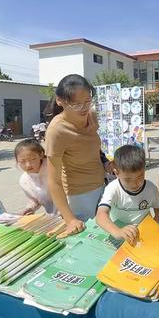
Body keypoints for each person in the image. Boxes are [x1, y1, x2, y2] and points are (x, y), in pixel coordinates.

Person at [45, 74, 105, 235]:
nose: (84, 108)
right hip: (79, 197)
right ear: (60, 101)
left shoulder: (91, 116)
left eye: (87, 101)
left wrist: (106, 162)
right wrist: (70, 219)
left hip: (102, 187)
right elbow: (53, 181)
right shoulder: (57, 131)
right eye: (76, 105)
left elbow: (92, 147)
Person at [96, 145, 159, 245]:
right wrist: (117, 231)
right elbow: (100, 215)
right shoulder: (113, 188)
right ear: (116, 173)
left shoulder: (151, 188)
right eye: (128, 180)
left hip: (143, 234)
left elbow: (158, 206)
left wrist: (156, 221)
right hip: (119, 232)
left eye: (140, 177)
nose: (135, 183)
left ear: (144, 169)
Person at [15, 139, 55, 215]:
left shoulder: (53, 168)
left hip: (72, 212)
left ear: (41, 155)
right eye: (22, 161)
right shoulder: (24, 181)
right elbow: (34, 200)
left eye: (32, 159)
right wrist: (29, 208)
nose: (28, 165)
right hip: (52, 217)